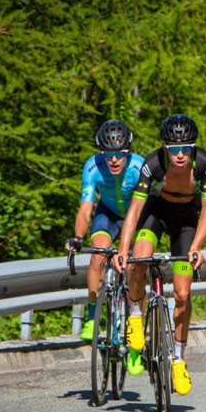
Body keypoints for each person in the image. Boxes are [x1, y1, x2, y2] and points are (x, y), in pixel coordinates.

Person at [113, 114, 206, 395]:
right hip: (156, 212)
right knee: (139, 259)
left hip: (186, 221)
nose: (180, 155)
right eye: (173, 148)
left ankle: (179, 360)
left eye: (186, 148)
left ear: (193, 147)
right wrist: (123, 250)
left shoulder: (204, 164)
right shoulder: (153, 164)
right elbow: (135, 210)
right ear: (164, 147)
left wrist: (196, 247)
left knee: (182, 295)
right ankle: (135, 314)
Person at [65, 119, 145, 342]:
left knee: (134, 267)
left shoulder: (139, 167)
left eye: (119, 154)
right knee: (97, 255)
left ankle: (135, 321)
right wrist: (78, 237)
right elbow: (85, 209)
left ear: (127, 152)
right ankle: (92, 319)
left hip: (135, 218)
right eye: (107, 153)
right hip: (107, 215)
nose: (113, 159)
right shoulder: (92, 166)